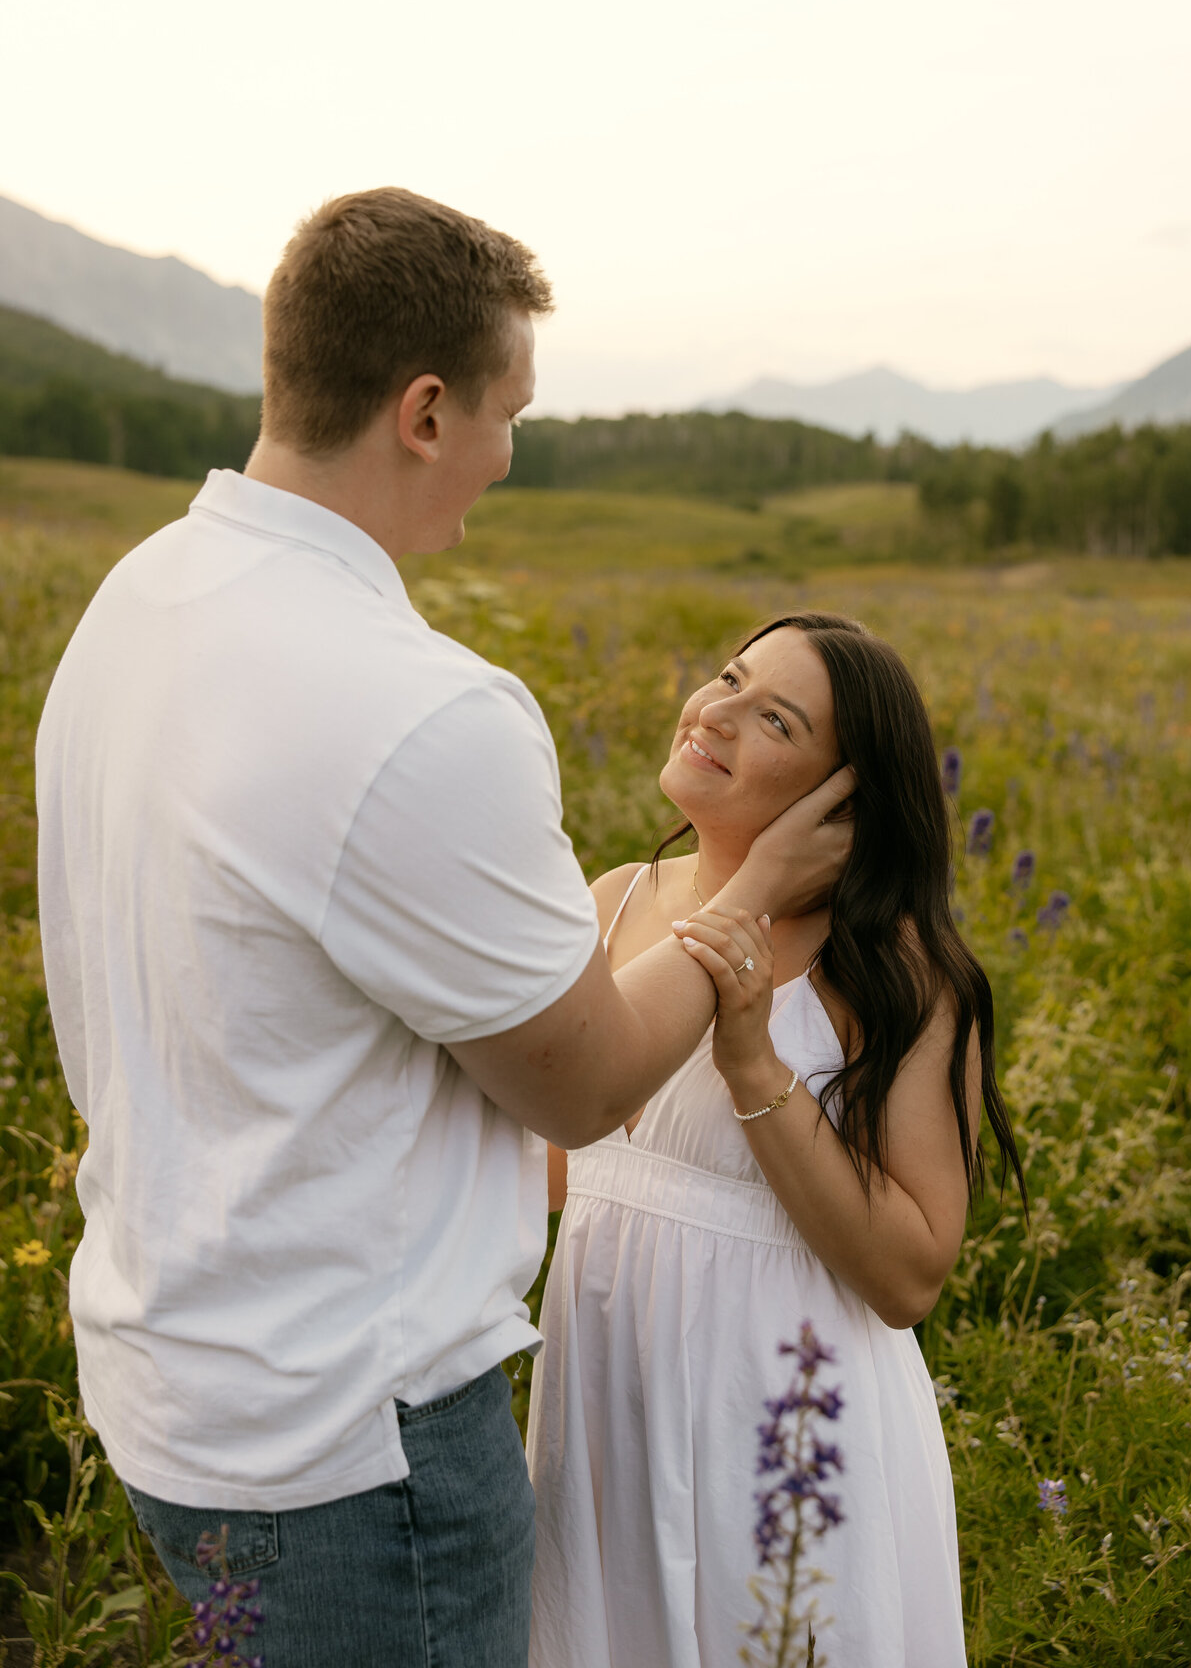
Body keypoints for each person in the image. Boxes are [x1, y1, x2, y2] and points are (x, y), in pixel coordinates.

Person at [34, 188, 853, 1668]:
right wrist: (748, 897)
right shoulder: (418, 706)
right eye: (508, 412)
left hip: (170, 1379)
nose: (509, 453)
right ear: (423, 411)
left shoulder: (137, 602)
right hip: (357, 1443)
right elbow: (588, 1084)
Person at [527, 612, 1027, 1668]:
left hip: (784, 1436)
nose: (714, 714)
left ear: (841, 797)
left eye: (774, 719)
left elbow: (910, 1274)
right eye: (726, 678)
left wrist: (756, 1064)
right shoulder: (614, 906)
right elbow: (547, 1172)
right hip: (605, 1416)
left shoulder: (892, 973)